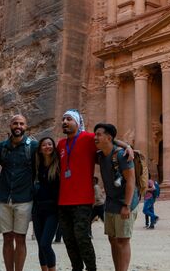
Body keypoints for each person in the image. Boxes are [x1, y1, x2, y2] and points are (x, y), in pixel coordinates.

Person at [57, 110, 133, 271]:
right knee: (68, 239)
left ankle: (91, 268)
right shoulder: (61, 144)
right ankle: (76, 268)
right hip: (63, 200)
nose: (65, 122)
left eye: (69, 119)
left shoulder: (89, 138)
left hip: (83, 199)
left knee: (82, 237)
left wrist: (127, 147)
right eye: (63, 119)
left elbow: (110, 140)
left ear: (78, 123)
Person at [0, 114, 38, 271]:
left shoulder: (33, 147)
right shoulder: (2, 147)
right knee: (7, 238)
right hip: (4, 198)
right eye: (15, 123)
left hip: (24, 198)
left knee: (20, 238)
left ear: (26, 127)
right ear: (10, 125)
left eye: (21, 123)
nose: (18, 126)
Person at [95, 123, 139, 271]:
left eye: (99, 134)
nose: (95, 137)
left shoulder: (121, 155)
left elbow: (131, 181)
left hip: (125, 203)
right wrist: (127, 144)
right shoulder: (100, 156)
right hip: (111, 203)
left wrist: (127, 205)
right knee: (112, 239)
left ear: (109, 138)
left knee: (123, 240)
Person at [33, 136, 61, 271]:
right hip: (38, 209)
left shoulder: (59, 164)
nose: (47, 147)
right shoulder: (37, 165)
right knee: (40, 245)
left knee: (45, 244)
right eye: (44, 145)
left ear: (53, 147)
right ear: (40, 149)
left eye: (50, 144)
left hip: (53, 210)